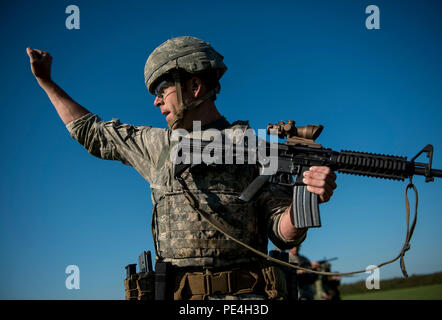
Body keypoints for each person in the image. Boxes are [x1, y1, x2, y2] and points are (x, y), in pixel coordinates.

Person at [26, 36, 337, 300]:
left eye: (162, 90)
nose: (156, 102)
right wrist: (46, 83)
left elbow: (282, 233)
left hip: (246, 299)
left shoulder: (257, 148)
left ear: (194, 85)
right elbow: (92, 132)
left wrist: (304, 199)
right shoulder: (156, 145)